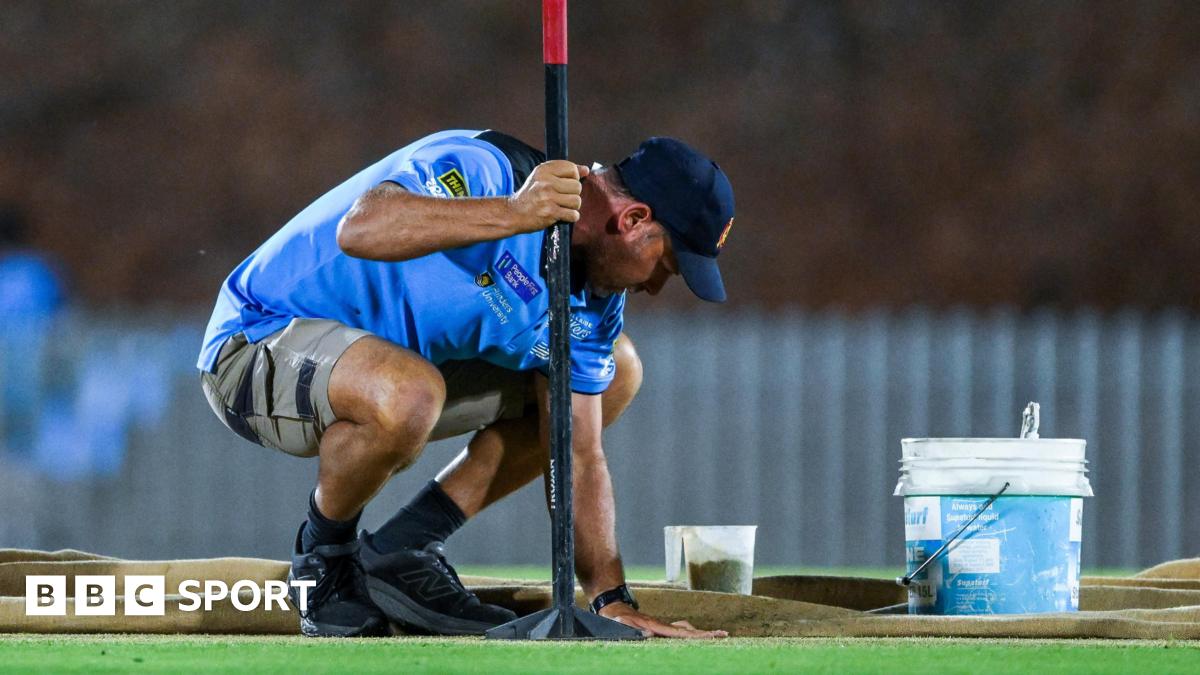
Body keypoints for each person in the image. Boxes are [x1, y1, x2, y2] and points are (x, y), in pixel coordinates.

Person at [197, 129, 735, 639]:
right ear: (635, 219)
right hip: (253, 348)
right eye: (668, 264)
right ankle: (324, 559)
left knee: (616, 370)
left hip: (391, 377)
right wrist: (516, 214)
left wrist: (609, 599)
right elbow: (363, 228)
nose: (660, 287)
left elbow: (579, 454)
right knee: (410, 392)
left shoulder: (593, 309)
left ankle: (403, 550)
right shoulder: (489, 170)